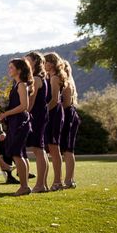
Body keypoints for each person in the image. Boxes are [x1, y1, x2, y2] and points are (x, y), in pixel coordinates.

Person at [0, 58, 33, 196]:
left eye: (12, 67)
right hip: (14, 122)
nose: (9, 70)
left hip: (20, 122)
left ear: (19, 70)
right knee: (19, 154)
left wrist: (6, 113)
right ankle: (24, 186)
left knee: (17, 154)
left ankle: (24, 186)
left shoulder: (22, 85)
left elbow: (24, 106)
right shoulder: (15, 84)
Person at [24, 52, 50, 192]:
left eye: (28, 60)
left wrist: (23, 113)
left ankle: (40, 184)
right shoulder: (40, 78)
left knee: (38, 149)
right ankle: (43, 184)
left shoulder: (36, 78)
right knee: (40, 149)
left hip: (37, 116)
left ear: (35, 62)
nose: (25, 62)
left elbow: (31, 102)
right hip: (41, 114)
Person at [44, 52, 67, 191]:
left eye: (45, 62)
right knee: (52, 147)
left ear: (51, 63)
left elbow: (54, 99)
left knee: (54, 147)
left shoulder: (54, 78)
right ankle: (58, 180)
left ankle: (58, 181)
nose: (44, 65)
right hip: (54, 113)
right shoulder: (51, 77)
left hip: (54, 114)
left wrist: (44, 112)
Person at [60, 59, 81, 189]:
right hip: (65, 116)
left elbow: (66, 104)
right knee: (66, 150)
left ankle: (69, 180)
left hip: (68, 117)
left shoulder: (67, 84)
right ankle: (68, 179)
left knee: (68, 149)